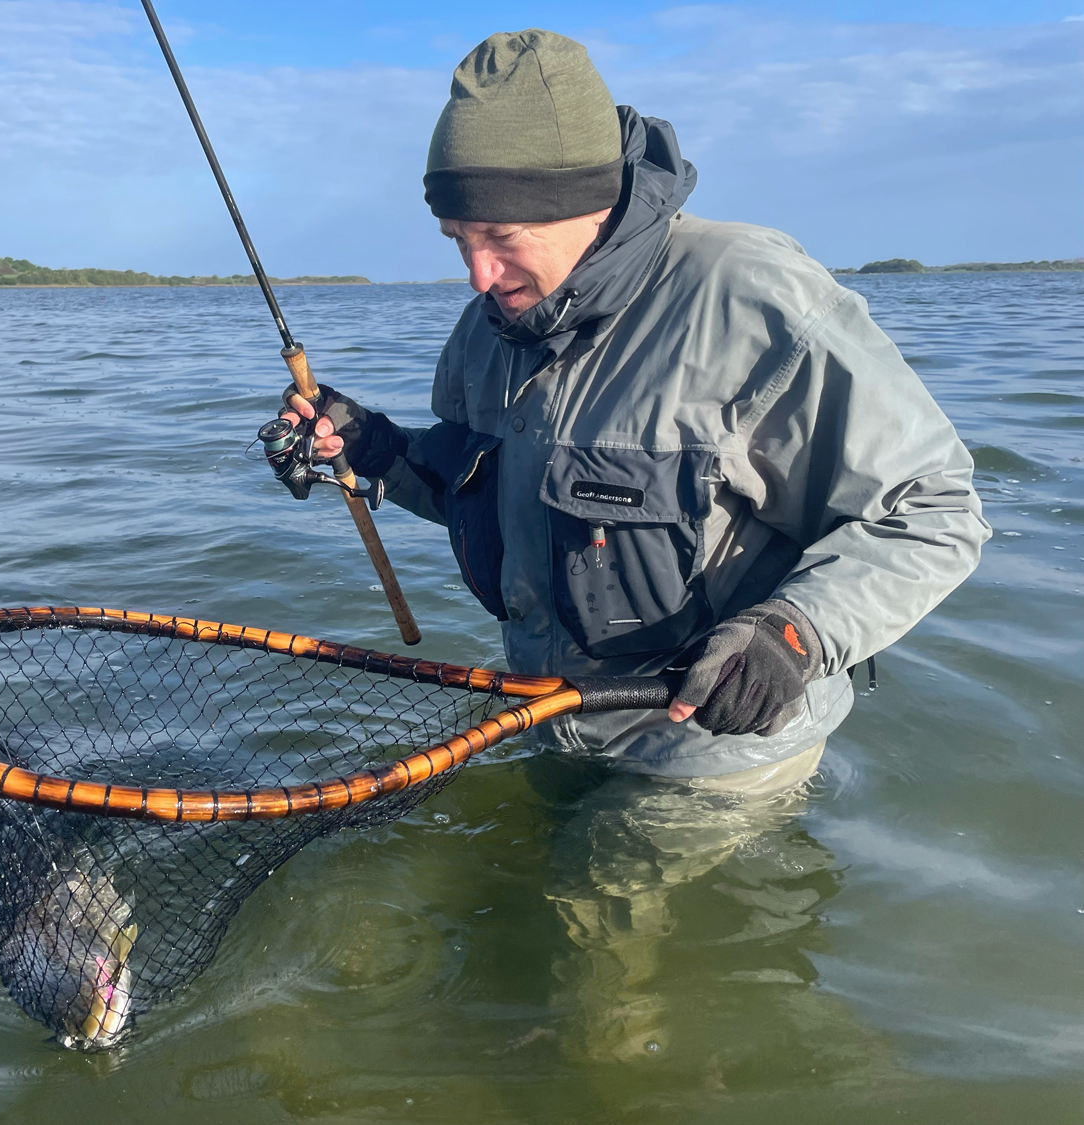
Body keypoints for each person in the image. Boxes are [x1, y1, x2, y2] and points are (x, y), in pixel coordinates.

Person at [278, 28, 989, 795]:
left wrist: (798, 632)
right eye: (457, 239)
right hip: (550, 716)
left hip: (710, 752)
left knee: (586, 914)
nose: (478, 274)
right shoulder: (488, 327)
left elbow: (935, 510)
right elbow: (483, 492)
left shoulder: (754, 299)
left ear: (590, 201)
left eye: (501, 236)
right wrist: (376, 448)